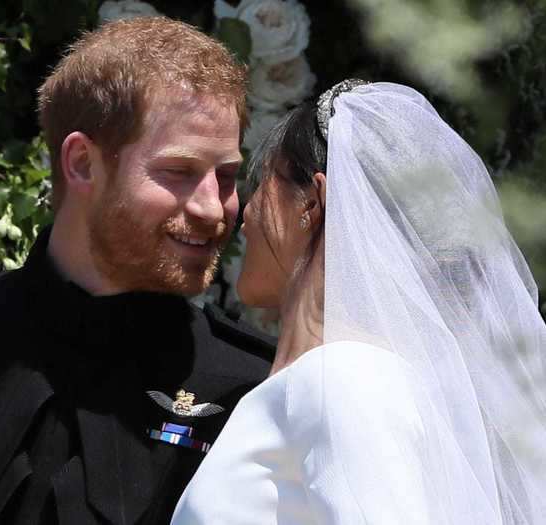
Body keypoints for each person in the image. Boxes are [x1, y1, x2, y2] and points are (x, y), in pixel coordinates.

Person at [0, 17, 275, 525]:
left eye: (226, 176)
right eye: (179, 172)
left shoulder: (251, 389)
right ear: (82, 163)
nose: (215, 208)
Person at [171, 81, 546, 524]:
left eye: (261, 183)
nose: (244, 214)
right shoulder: (348, 380)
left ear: (313, 200)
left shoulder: (346, 381)